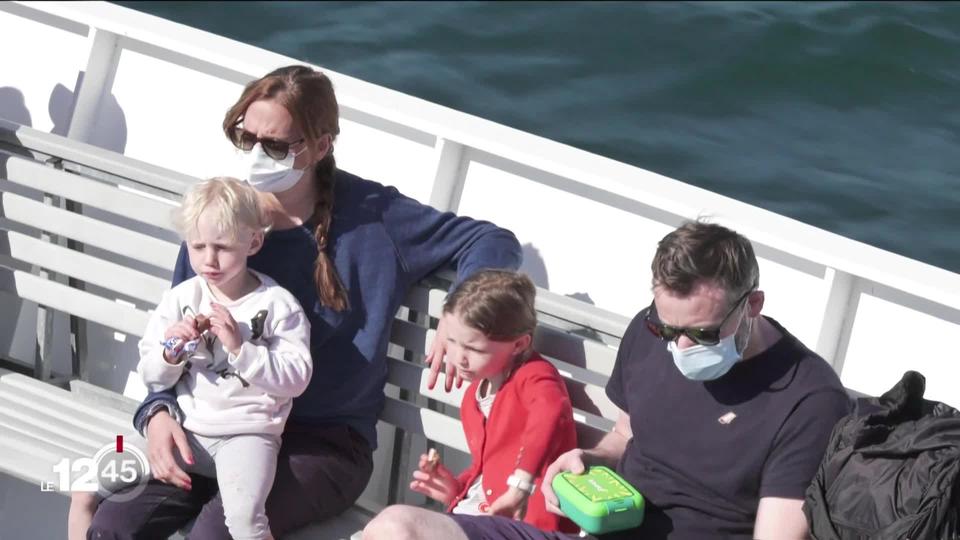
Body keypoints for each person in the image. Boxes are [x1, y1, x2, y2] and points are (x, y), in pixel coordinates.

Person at [86, 65, 522, 539]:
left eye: (274, 145)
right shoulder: (222, 223)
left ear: (320, 146)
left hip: (324, 444)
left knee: (217, 533)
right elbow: (173, 334)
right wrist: (157, 412)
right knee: (113, 523)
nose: (255, 154)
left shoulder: (377, 220)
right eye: (245, 137)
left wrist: (458, 312)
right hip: (210, 423)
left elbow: (490, 240)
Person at [359, 220, 852, 540]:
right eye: (667, 327)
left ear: (754, 306)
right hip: (595, 532)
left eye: (701, 333)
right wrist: (587, 457)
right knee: (397, 528)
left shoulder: (807, 399)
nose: (678, 347)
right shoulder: (647, 331)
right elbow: (624, 435)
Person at [69, 177, 312, 540]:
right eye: (198, 246)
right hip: (185, 433)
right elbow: (150, 374)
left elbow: (298, 378)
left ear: (254, 242)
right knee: (85, 478)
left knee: (246, 521)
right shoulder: (182, 298)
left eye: (222, 247)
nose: (209, 259)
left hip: (247, 438)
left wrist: (240, 349)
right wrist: (170, 353)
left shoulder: (278, 305)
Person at [375, 270, 578, 535]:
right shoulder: (475, 396)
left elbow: (549, 414)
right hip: (478, 515)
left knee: (393, 527)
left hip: (524, 523)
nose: (459, 357)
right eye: (452, 342)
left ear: (519, 344)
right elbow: (488, 468)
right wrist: (457, 489)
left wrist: (520, 485)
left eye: (474, 349)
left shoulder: (535, 377)